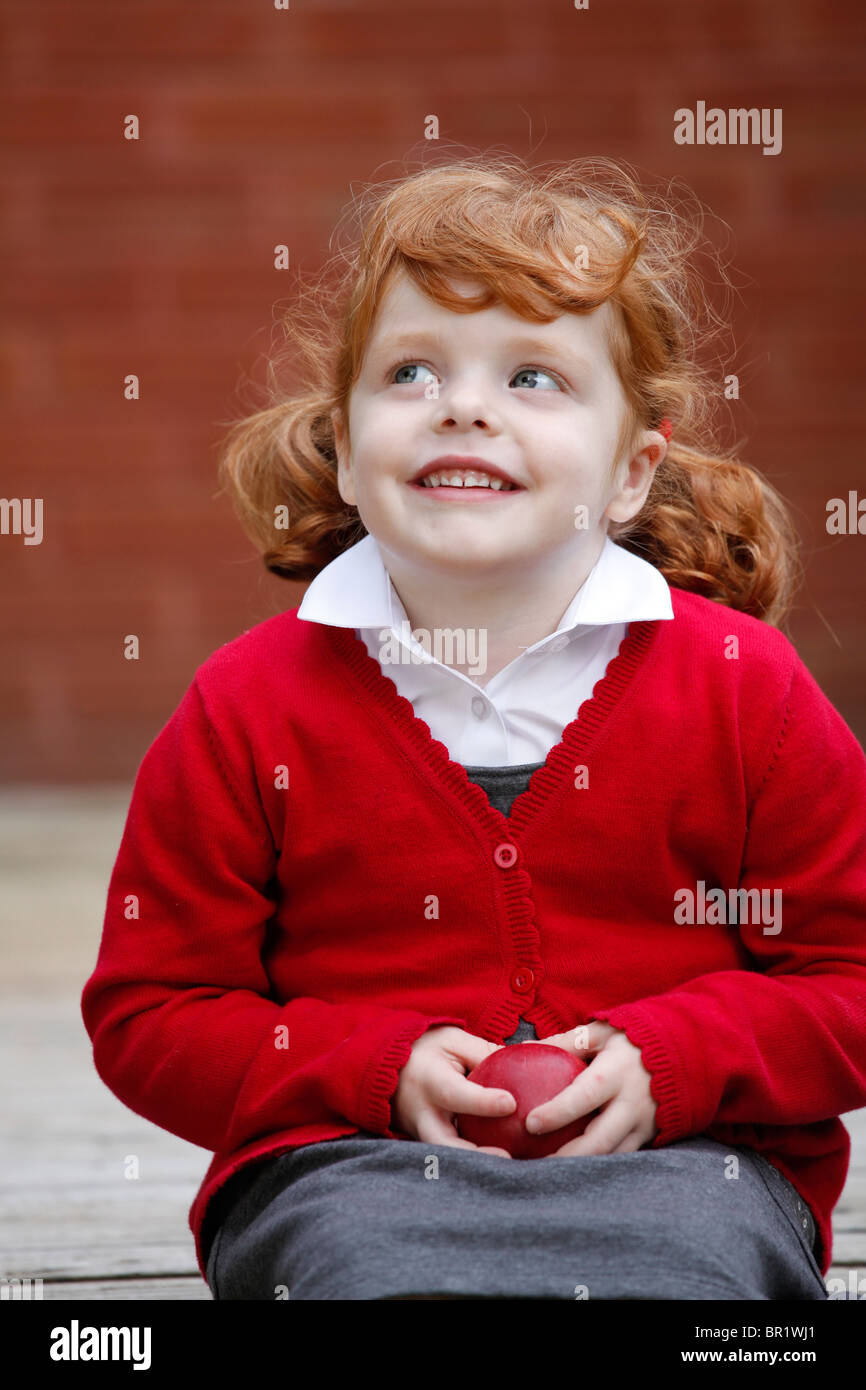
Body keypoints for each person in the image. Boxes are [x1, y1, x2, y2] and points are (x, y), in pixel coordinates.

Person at [81, 153, 866, 1301]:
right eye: (409, 370)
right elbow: (151, 1009)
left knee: (687, 1279)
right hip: (351, 1167)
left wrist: (678, 1058)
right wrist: (366, 1068)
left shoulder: (744, 690)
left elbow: (846, 973)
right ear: (346, 450)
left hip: (692, 1164)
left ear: (629, 472)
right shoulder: (250, 705)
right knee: (359, 1269)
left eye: (534, 378)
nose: (463, 404)